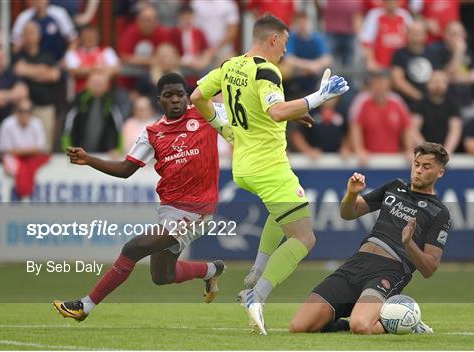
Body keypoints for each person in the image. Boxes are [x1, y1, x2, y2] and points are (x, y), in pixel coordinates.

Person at [191, 14, 349, 335]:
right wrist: (319, 97)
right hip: (269, 167)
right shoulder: (267, 70)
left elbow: (198, 98)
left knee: (280, 215)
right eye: (286, 43)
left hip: (243, 166)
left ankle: (256, 271)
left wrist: (224, 128)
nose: (285, 51)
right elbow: (275, 111)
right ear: (274, 39)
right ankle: (256, 295)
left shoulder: (230, 65)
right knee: (304, 238)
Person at [53, 73, 233, 321]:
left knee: (133, 248)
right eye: (168, 96)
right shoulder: (152, 133)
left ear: (186, 96)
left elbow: (249, 114)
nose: (175, 100)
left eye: (180, 94)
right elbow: (127, 169)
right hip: (170, 209)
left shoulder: (205, 113)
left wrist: (283, 116)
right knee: (162, 276)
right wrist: (89, 160)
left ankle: (85, 305)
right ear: (159, 99)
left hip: (197, 210)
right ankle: (212, 270)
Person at [289, 142, 451, 334]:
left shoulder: (439, 213)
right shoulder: (394, 186)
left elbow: (430, 268)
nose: (418, 171)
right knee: (299, 326)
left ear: (440, 172)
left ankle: (407, 323)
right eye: (416, 164)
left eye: (426, 167)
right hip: (356, 263)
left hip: (389, 271)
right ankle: (355, 322)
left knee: (361, 326)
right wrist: (351, 194)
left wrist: (409, 244)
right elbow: (349, 213)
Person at [13, 21, 61, 153]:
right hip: (23, 109)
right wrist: (41, 71)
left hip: (44, 106)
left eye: (32, 32)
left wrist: (28, 71)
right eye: (26, 33)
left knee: (44, 146)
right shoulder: (18, 55)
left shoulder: (47, 55)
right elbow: (19, 70)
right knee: (21, 146)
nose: (29, 36)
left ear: (39, 36)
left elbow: (54, 75)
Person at [349, 70, 415, 165]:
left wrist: (409, 149)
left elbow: (407, 127)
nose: (380, 87)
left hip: (394, 159)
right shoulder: (363, 102)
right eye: (377, 84)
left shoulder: (397, 102)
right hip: (369, 160)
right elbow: (355, 127)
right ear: (371, 86)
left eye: (383, 84)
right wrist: (359, 150)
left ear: (389, 86)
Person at [0, 99, 50, 200]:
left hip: (31, 158)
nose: (25, 114)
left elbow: (41, 149)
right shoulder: (7, 124)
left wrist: (20, 151)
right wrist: (28, 151)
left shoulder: (36, 123)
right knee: (13, 167)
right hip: (15, 157)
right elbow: (5, 150)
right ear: (16, 111)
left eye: (28, 111)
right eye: (22, 111)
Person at [0, 47, 28, 161]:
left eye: (0, 58)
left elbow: (22, 93)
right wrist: (11, 96)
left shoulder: (11, 74)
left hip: (12, 124)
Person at [280, 11, 333, 99]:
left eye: (304, 22)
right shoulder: (291, 37)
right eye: (299, 23)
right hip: (296, 78)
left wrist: (315, 66)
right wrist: (309, 66)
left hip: (315, 76)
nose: (302, 26)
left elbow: (327, 58)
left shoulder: (316, 38)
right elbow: (288, 59)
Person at [411, 71, 462, 154]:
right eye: (435, 81)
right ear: (428, 84)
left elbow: (455, 130)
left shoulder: (453, 105)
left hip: (446, 153)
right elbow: (414, 129)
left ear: (447, 84)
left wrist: (446, 152)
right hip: (424, 152)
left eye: (442, 81)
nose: (438, 85)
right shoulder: (419, 104)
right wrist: (426, 150)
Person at [11, 0, 77, 62]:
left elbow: (73, 40)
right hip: (31, 62)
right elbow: (15, 47)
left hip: (56, 62)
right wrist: (28, 37)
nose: (37, 1)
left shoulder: (59, 14)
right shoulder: (24, 17)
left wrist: (66, 59)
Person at [390, 21, 435, 109]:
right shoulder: (399, 54)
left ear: (425, 35)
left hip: (430, 103)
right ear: (407, 35)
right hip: (407, 103)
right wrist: (419, 97)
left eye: (419, 33)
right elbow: (398, 81)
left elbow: (438, 76)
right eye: (413, 33)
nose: (416, 36)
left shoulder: (432, 53)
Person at [64, 26, 121, 94]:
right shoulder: (73, 53)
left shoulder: (107, 51)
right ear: (81, 38)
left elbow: (116, 68)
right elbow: (74, 70)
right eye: (87, 36)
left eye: (92, 36)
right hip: (81, 92)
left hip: (107, 91)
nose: (89, 39)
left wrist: (101, 77)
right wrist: (96, 68)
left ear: (98, 38)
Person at [359, 0, 412, 70]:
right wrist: (371, 61)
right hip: (380, 63)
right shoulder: (375, 15)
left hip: (401, 64)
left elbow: (413, 35)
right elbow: (366, 40)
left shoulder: (404, 15)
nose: (391, 4)